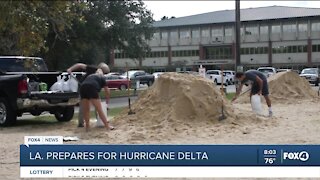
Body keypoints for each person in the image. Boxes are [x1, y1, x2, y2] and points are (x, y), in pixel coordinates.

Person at [67, 62, 110, 127]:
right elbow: (80, 65)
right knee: (85, 106)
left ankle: (98, 121)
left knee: (96, 105)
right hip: (84, 85)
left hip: (90, 86)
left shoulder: (100, 76)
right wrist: (70, 69)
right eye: (105, 73)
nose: (105, 75)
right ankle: (81, 123)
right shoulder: (93, 69)